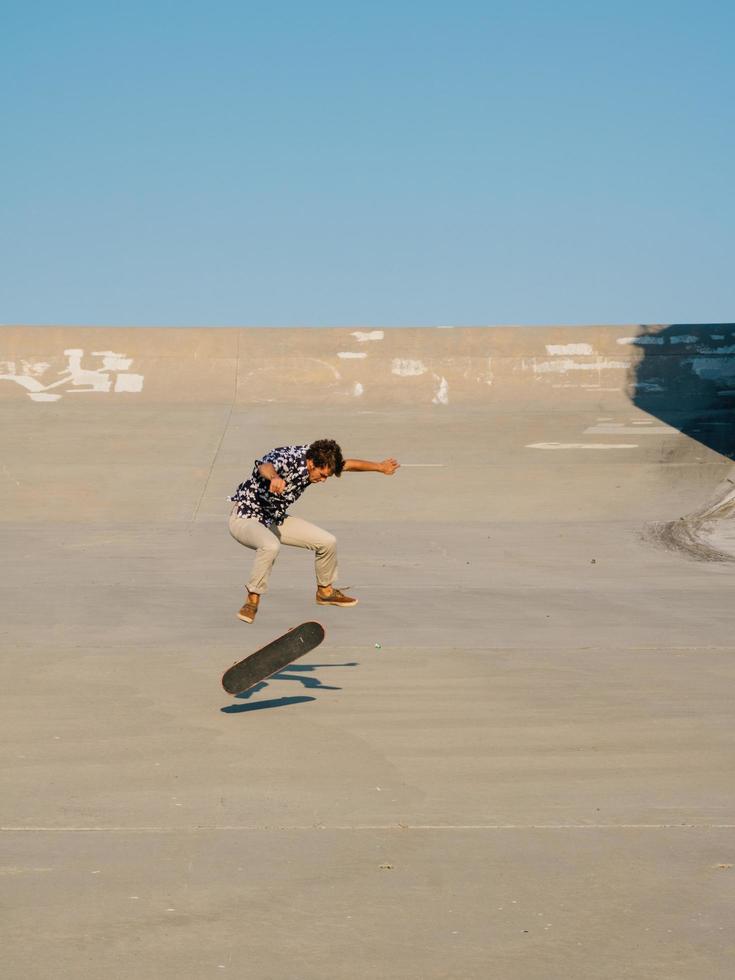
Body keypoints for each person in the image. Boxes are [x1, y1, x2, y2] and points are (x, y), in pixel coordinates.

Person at [228, 439, 400, 622]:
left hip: (274, 519)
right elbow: (265, 466)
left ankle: (325, 592)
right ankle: (252, 600)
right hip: (246, 518)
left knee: (327, 541)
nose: (323, 480)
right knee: (270, 546)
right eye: (322, 475)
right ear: (311, 463)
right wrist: (275, 478)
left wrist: (380, 467)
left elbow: (348, 464)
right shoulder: (287, 458)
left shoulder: (323, 458)